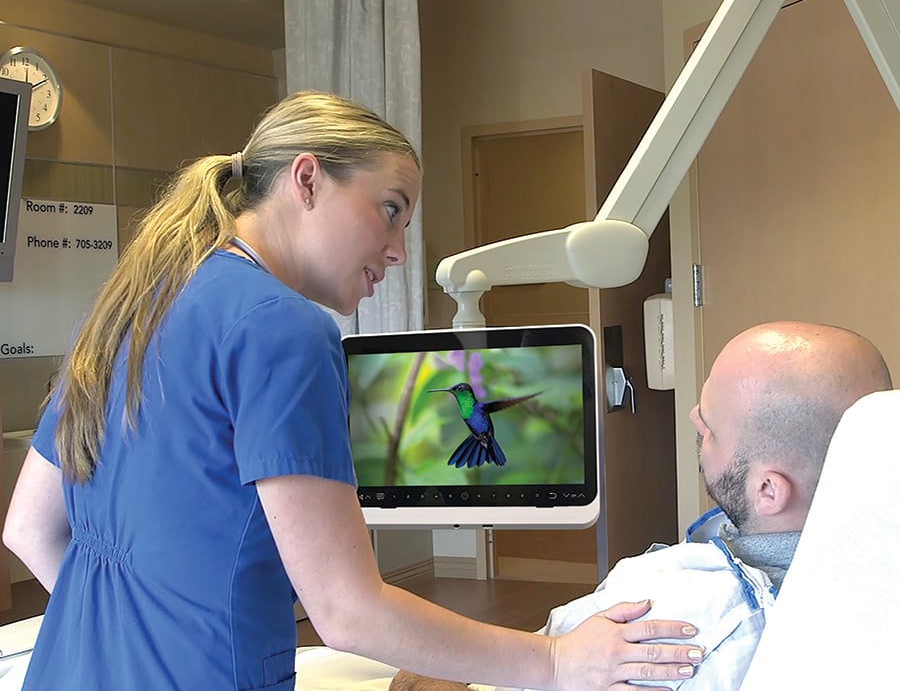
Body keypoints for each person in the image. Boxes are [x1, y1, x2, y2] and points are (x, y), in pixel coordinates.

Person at [1, 90, 702, 691]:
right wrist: (554, 662)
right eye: (391, 210)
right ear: (306, 180)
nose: (398, 250)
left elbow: (29, 529)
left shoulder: (132, 304)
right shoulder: (281, 328)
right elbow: (344, 610)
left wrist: (147, 637)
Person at [390, 321, 893, 691]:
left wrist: (431, 673)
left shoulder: (684, 626)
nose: (694, 418)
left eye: (711, 427)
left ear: (769, 491)